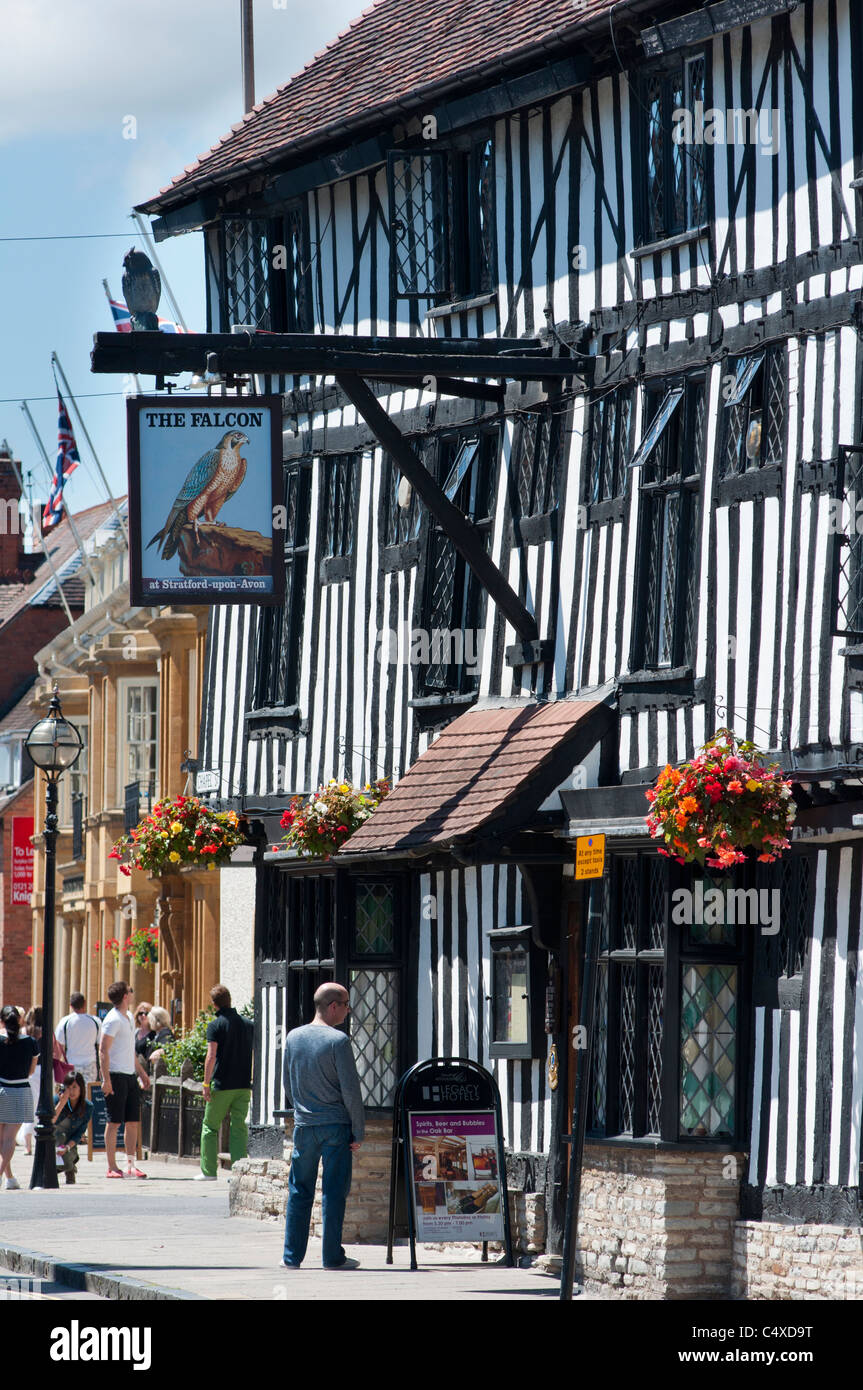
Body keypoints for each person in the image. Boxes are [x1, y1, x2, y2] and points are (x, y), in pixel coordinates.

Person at [281, 982, 365, 1270]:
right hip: (335, 1126)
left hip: (305, 1125)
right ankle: (331, 1257)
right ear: (333, 1006)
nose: (348, 1010)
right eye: (345, 1004)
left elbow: (288, 1085)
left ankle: (291, 1257)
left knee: (299, 1190)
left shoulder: (293, 1037)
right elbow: (351, 1092)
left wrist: (303, 1108)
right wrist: (359, 1130)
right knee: (333, 1192)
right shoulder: (338, 1041)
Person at [197, 985, 253, 1182]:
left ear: (214, 1005)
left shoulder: (216, 1025)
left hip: (222, 1084)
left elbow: (211, 1056)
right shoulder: (248, 1024)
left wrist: (205, 1083)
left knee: (210, 1127)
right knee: (238, 1127)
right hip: (244, 1084)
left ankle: (209, 1171)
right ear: (230, 999)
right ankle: (239, 1172)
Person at [98, 981, 150, 1178]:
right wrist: (106, 1079)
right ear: (125, 996)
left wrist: (141, 1073)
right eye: (130, 990)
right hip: (116, 1075)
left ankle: (130, 1164)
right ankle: (111, 1166)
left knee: (132, 1122)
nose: (132, 992)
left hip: (129, 1075)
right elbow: (103, 1050)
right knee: (114, 1122)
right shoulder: (112, 1019)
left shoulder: (127, 1017)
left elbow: (130, 1051)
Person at [0, 1004, 39, 1190]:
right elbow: (31, 1071)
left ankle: (9, 1178)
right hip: (19, 1090)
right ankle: (4, 1175)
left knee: (1, 1139)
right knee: (9, 1139)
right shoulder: (30, 1042)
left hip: (0, 1087)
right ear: (20, 1020)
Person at [53, 1070, 94, 1185]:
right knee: (59, 1137)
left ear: (81, 1088)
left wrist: (67, 1147)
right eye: (68, 1087)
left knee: (64, 1156)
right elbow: (49, 1123)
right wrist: (61, 1103)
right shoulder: (56, 1100)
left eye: (75, 1087)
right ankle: (69, 1168)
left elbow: (79, 1133)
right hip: (53, 1141)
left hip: (69, 1144)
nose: (71, 1091)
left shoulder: (88, 1107)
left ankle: (68, 1166)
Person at [55, 993, 101, 1086]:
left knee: (71, 1094)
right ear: (85, 1003)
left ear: (71, 1006)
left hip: (71, 1065)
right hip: (90, 1065)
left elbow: (58, 1048)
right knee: (88, 1095)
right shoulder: (96, 1021)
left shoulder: (65, 1022)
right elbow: (100, 1046)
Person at [136, 1007, 174, 1071]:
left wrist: (159, 1051)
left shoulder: (165, 1032)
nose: (149, 1023)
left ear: (155, 1020)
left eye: (150, 1020)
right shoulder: (157, 1034)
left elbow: (167, 1045)